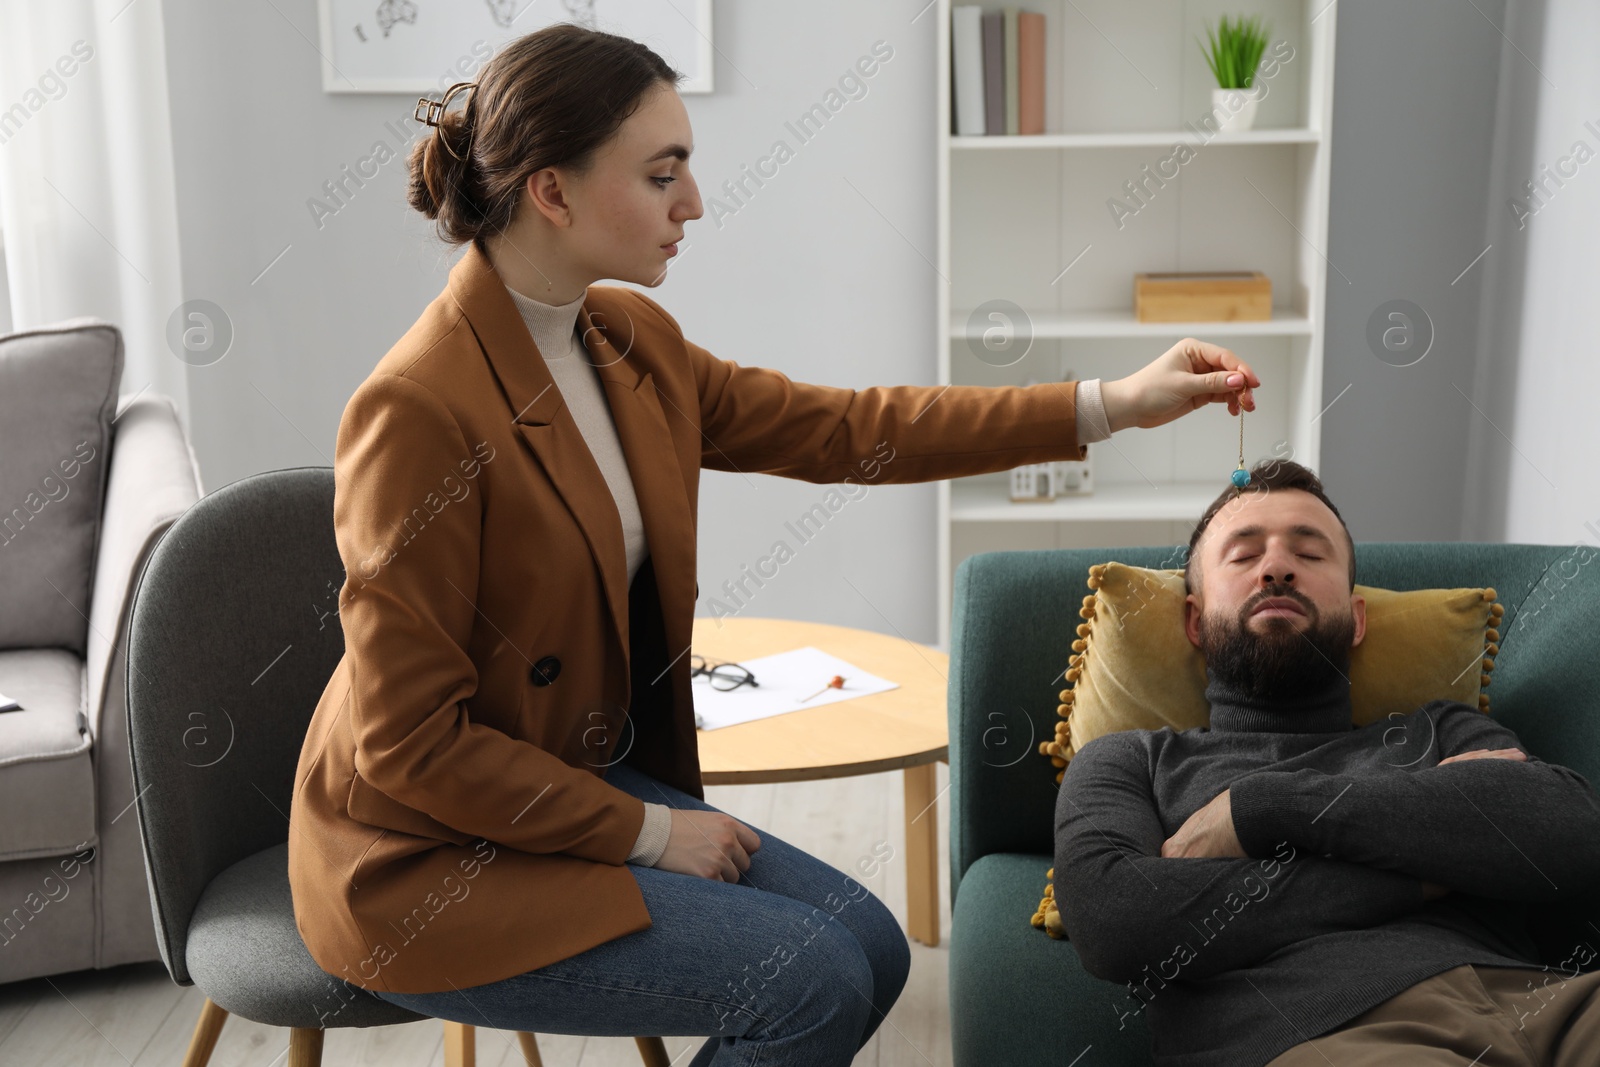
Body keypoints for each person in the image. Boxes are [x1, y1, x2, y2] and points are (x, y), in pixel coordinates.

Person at [286, 22, 1262, 1067]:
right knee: (809, 978)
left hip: (568, 779)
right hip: (422, 855)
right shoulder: (418, 407)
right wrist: (651, 832)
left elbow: (851, 427)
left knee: (876, 949)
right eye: (662, 174)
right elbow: (409, 747)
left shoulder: (625, 339)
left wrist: (1113, 402)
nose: (693, 203)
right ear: (551, 192)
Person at [1053, 458, 1600, 1067]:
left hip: (1555, 1002)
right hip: (1330, 1036)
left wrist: (1260, 807)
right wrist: (1429, 867)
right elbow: (1115, 922)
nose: (1278, 567)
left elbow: (1570, 833)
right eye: (1242, 555)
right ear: (1195, 622)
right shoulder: (1132, 761)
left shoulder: (1438, 728)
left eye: (1310, 556)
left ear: (1358, 619)